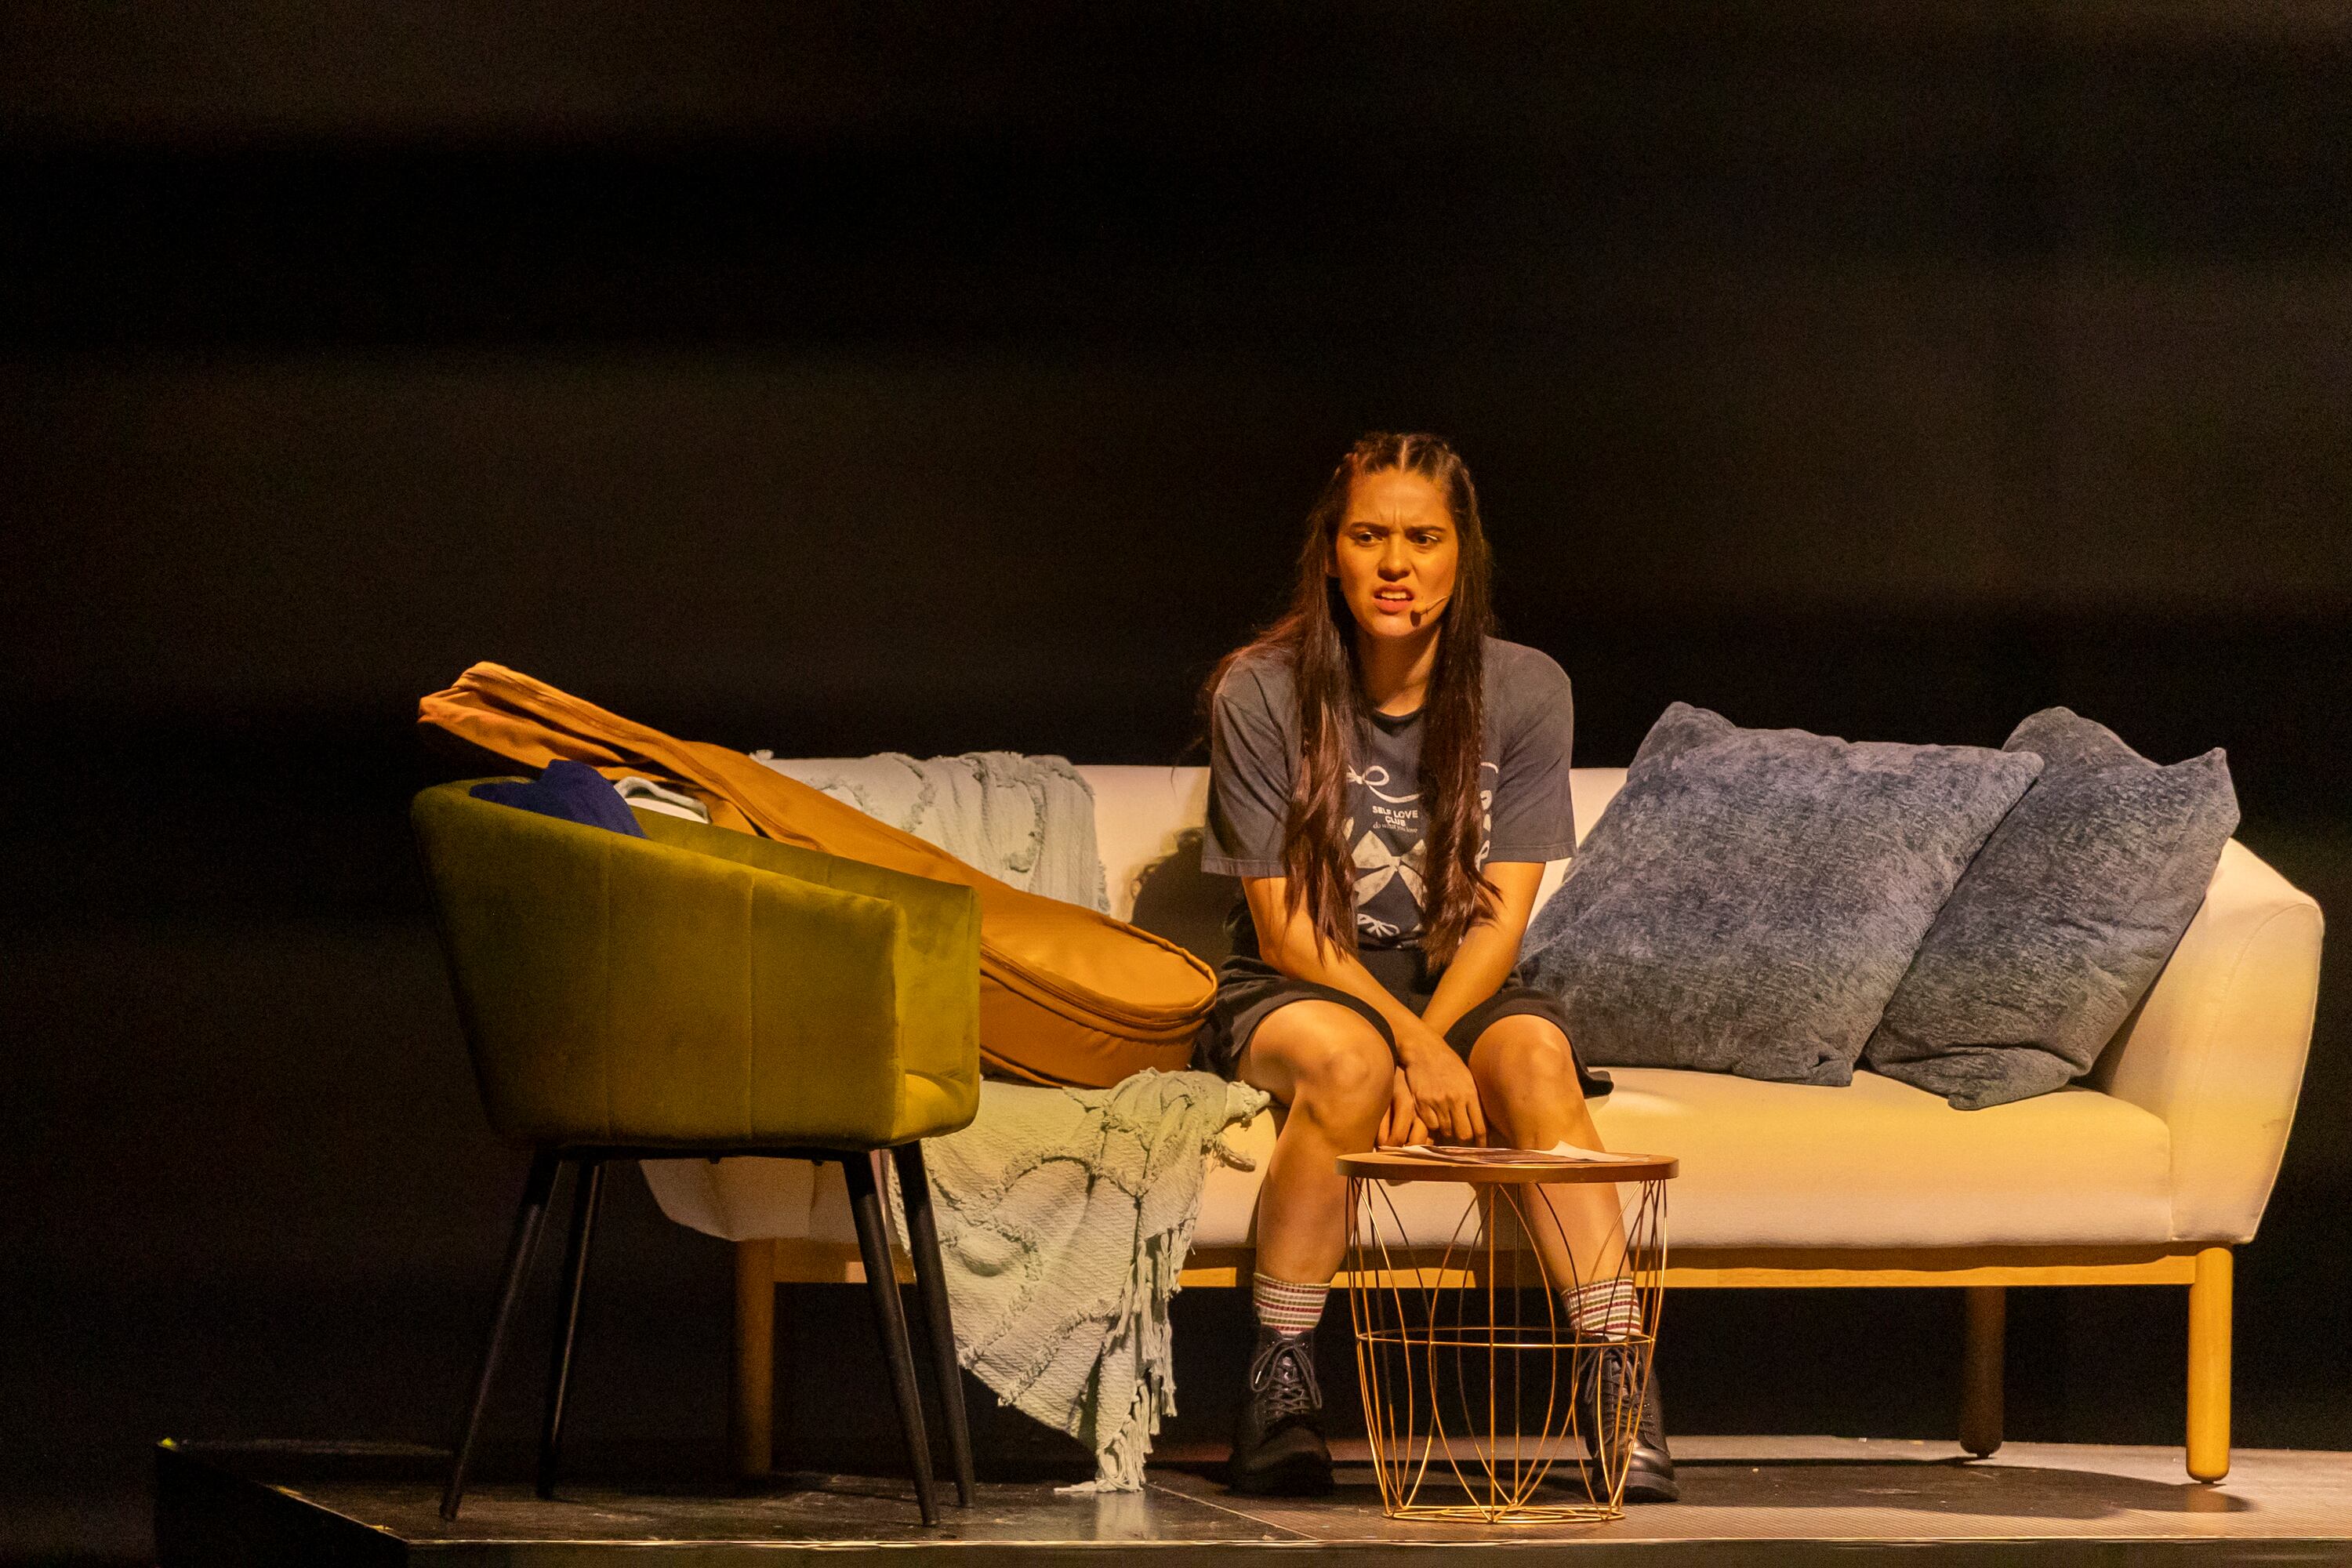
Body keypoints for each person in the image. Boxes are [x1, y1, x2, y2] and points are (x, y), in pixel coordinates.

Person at [1193, 431, 1672, 1500]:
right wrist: (1413, 1048)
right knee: (1350, 1065)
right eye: (1369, 537)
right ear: (1331, 553)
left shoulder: (1527, 689)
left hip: (1460, 980)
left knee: (1537, 1061)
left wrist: (1438, 1035)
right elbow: (1286, 932)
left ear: (1463, 555)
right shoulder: (1260, 693)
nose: (1395, 564)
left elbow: (1499, 921)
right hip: (1300, 984)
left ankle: (1617, 1380)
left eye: (1423, 538)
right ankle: (1279, 1387)